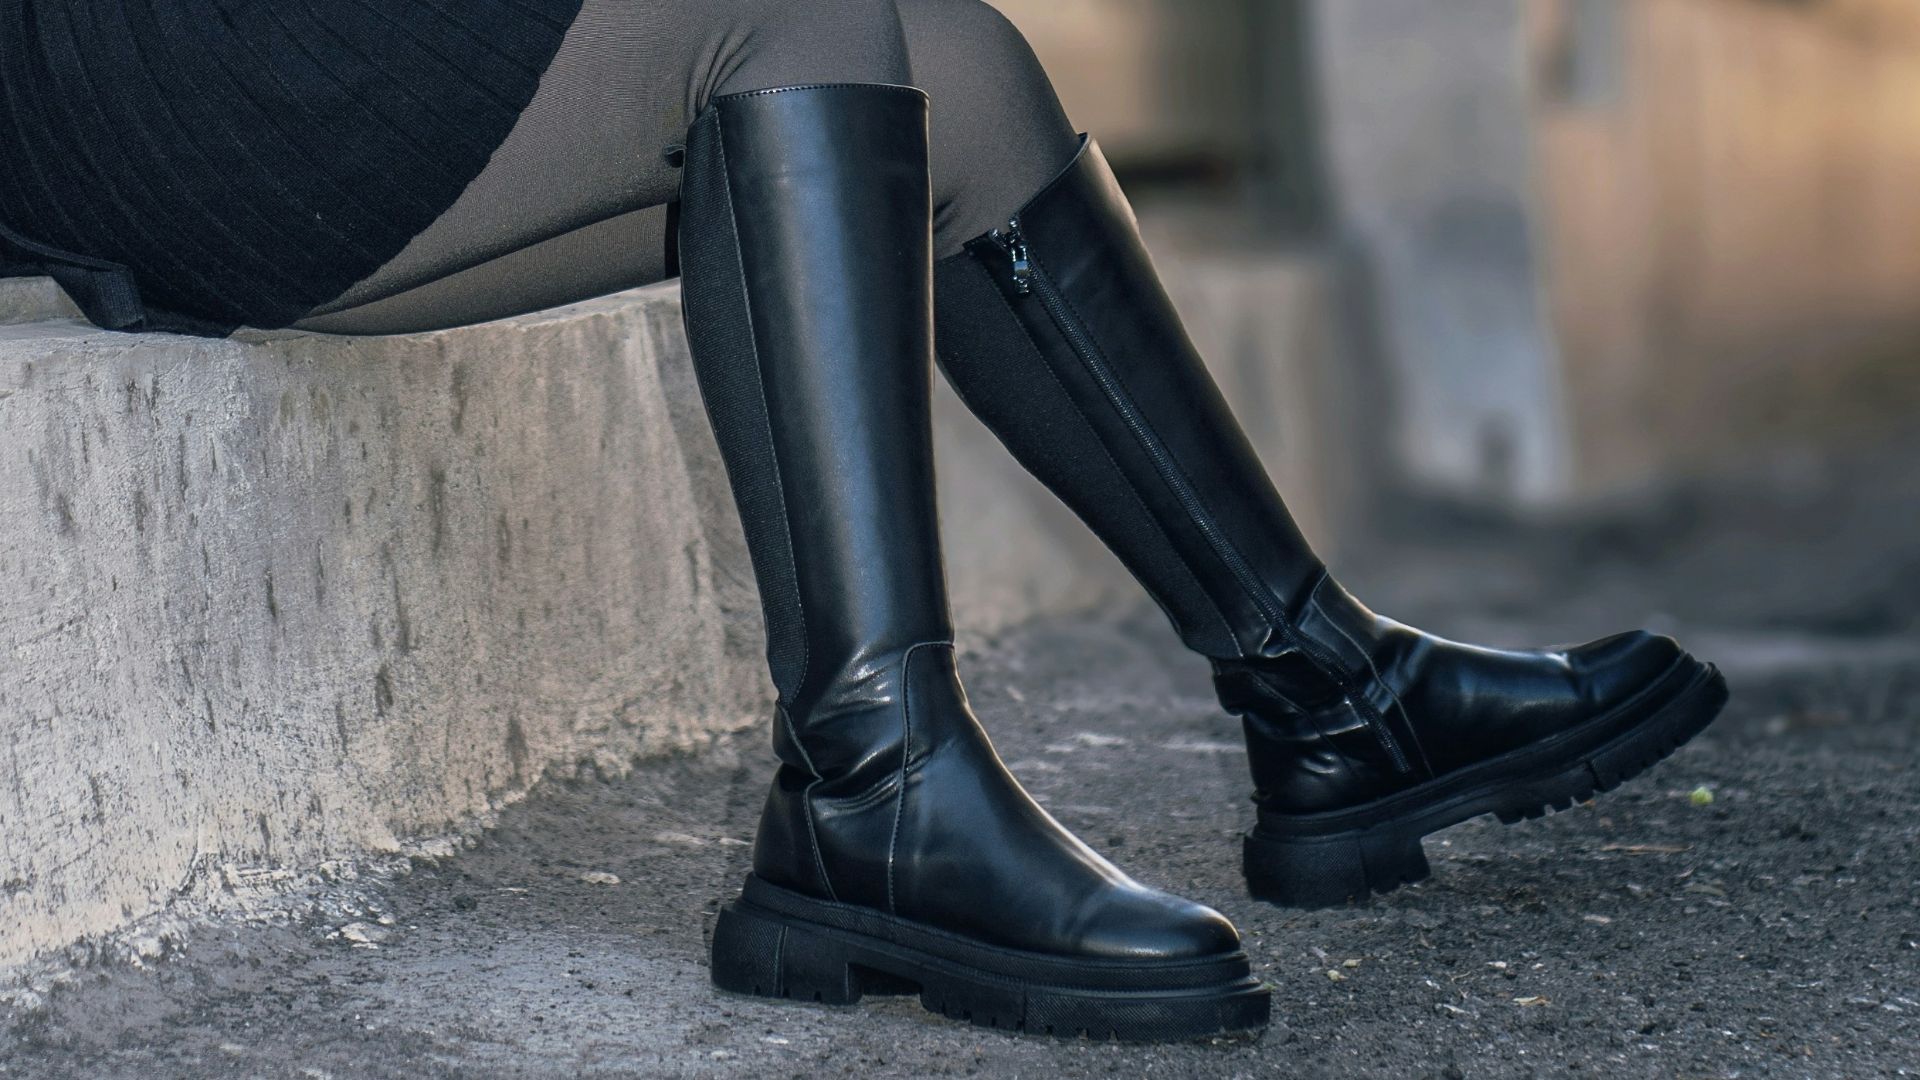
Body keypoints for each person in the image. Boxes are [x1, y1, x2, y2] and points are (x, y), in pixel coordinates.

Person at [0, 0, 1728, 1042]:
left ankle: (1329, 693)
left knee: (956, 66)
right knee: (795, 2)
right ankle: (872, 787)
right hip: (131, 64)